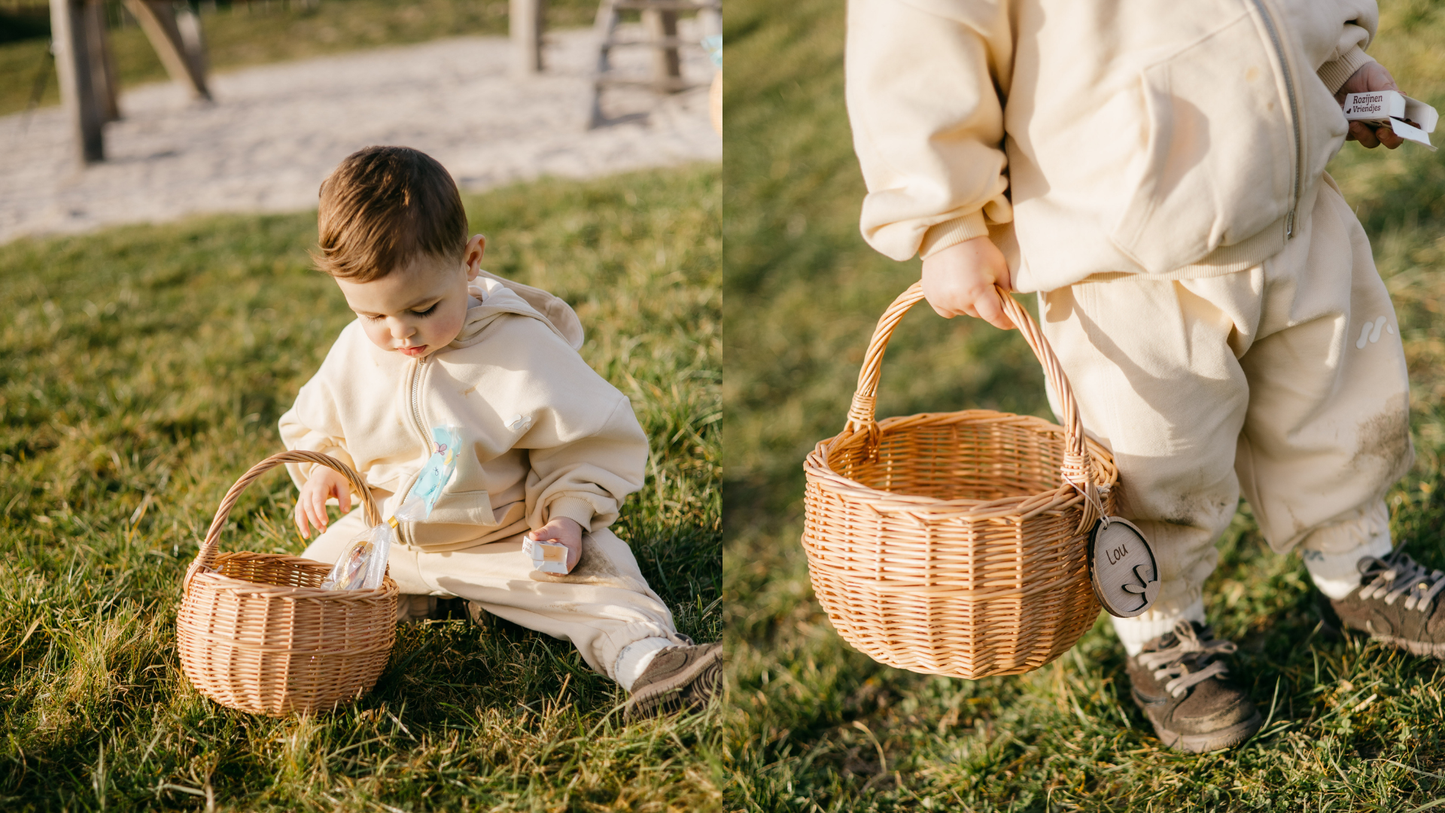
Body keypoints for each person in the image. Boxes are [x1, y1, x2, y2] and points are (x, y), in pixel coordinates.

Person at [845, 0, 1436, 752]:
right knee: (1151, 448)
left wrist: (1338, 58)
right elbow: (919, 37)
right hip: (1119, 247)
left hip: (1289, 198)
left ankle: (1356, 555)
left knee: (1336, 394)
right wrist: (947, 219)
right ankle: (1161, 622)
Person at [278, 145, 719, 719]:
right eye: (373, 316)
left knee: (599, 580)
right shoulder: (353, 353)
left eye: (424, 307)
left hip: (503, 540)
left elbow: (585, 444)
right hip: (384, 541)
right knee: (303, 593)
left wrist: (567, 515)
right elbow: (321, 427)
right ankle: (427, 605)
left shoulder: (521, 350)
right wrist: (320, 469)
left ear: (470, 260)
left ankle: (653, 662)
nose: (400, 332)